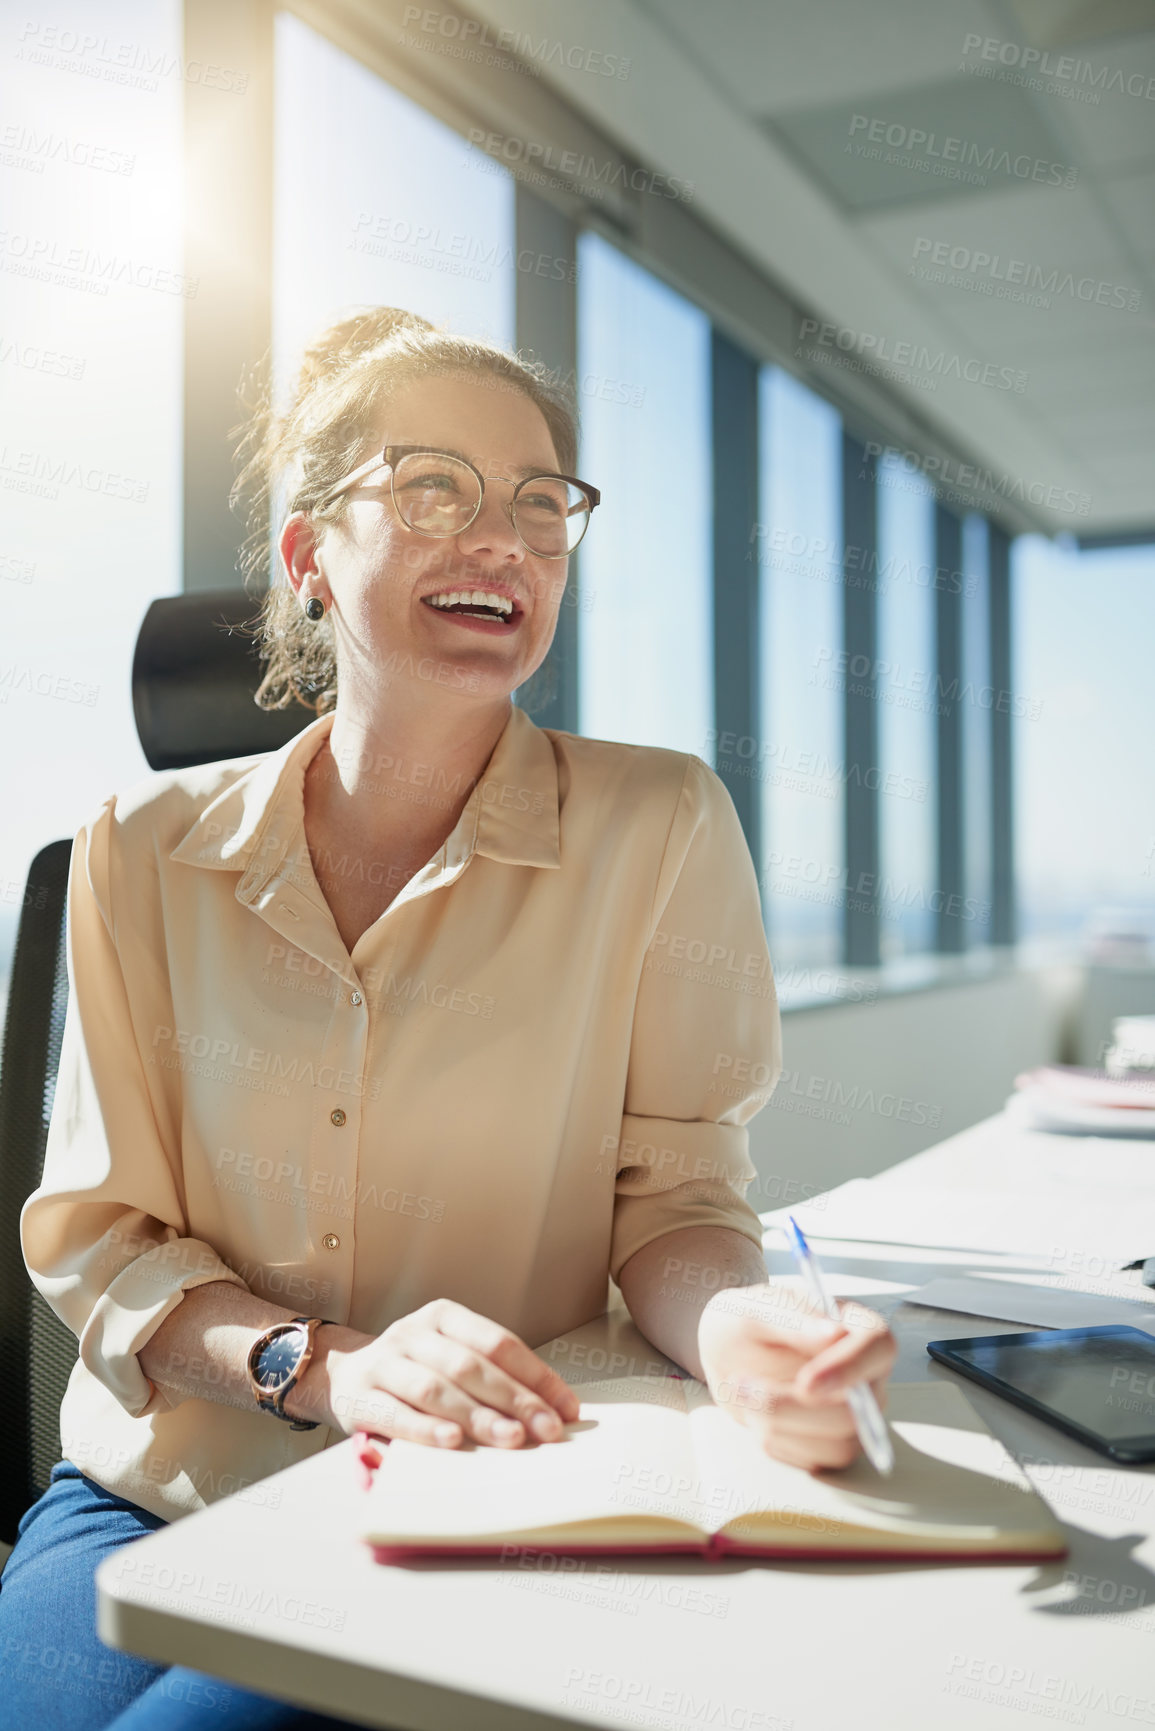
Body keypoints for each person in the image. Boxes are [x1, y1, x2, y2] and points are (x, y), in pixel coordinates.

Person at [0, 307, 897, 1728]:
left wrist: (735, 1332)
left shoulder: (658, 827)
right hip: (152, 1486)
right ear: (308, 558)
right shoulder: (138, 851)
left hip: (466, 1491)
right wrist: (320, 1367)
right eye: (435, 490)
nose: (507, 539)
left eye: (544, 504)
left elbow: (672, 1212)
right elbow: (103, 1244)